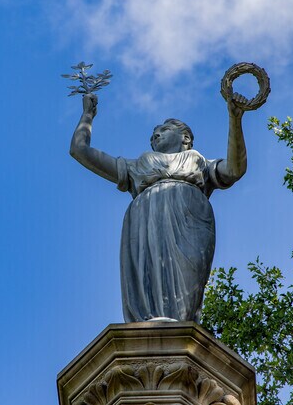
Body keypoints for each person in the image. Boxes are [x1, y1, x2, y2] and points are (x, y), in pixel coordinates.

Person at [70, 92, 248, 322]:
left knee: (187, 286)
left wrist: (235, 119)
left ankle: (180, 335)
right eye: (153, 135)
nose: (155, 135)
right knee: (147, 279)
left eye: (163, 130)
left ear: (185, 138)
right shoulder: (139, 165)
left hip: (190, 218)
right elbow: (79, 151)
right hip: (145, 220)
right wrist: (87, 116)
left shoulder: (200, 162)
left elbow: (235, 169)